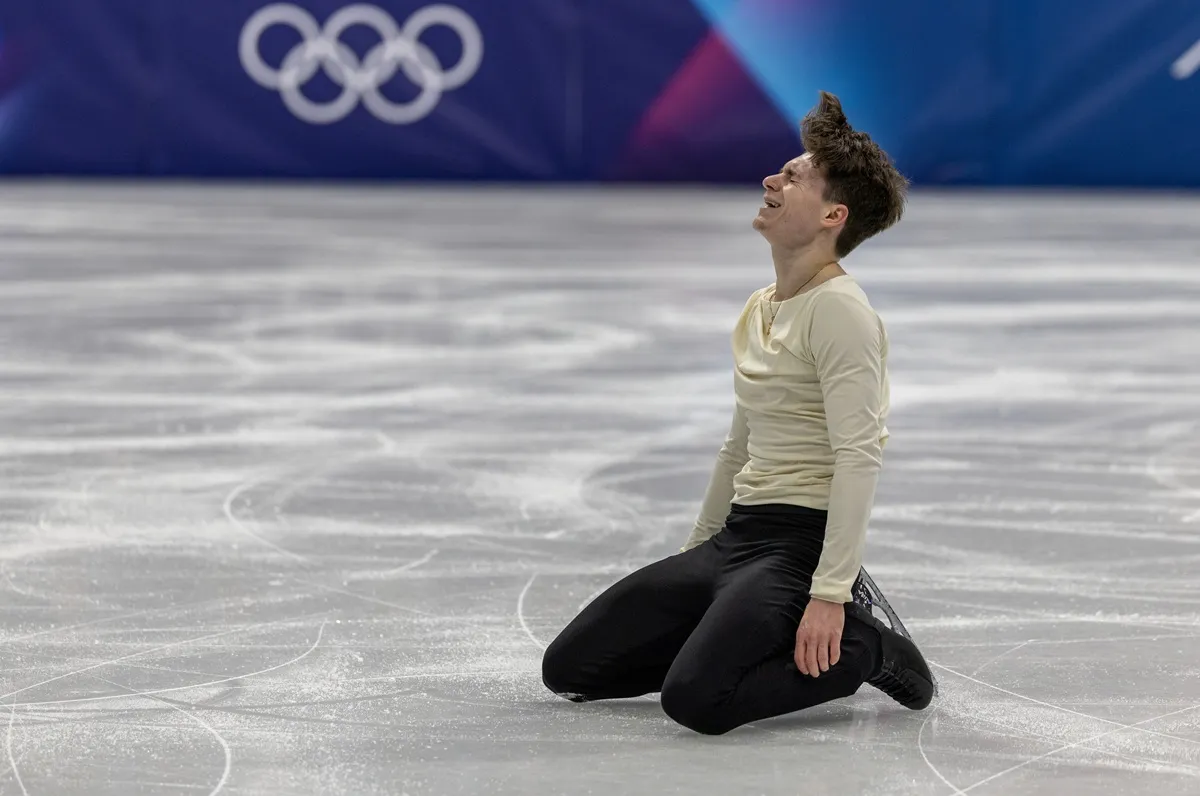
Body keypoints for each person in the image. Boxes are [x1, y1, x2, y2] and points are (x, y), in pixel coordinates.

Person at [541, 91, 934, 735]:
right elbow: (739, 446)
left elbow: (859, 454)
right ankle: (744, 623)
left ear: (834, 213)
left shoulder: (840, 311)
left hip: (796, 549)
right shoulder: (761, 305)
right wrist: (696, 558)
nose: (771, 180)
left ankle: (870, 648)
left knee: (696, 700)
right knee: (573, 671)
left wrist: (831, 592)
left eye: (794, 176)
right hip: (738, 539)